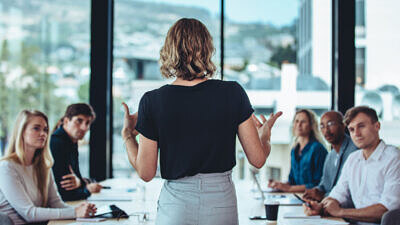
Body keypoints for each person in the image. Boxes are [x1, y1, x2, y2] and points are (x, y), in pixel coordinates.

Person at [121, 18, 282, 225]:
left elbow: (145, 172)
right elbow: (258, 160)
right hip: (221, 200)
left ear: (169, 51)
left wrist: (127, 135)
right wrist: (265, 137)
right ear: (207, 49)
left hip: (176, 204)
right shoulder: (232, 92)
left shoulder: (152, 101)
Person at [304, 106, 400, 225]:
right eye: (352, 129)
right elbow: (338, 193)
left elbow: (386, 210)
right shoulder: (353, 159)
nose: (357, 133)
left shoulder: (394, 158)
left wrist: (341, 212)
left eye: (361, 126)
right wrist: (321, 206)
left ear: (377, 126)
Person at [0, 110, 96, 225]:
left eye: (45, 130)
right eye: (36, 128)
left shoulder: (43, 166)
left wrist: (82, 209)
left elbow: (56, 204)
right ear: (22, 131)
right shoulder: (7, 167)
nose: (43, 134)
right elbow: (29, 213)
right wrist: (75, 212)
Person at [50, 103, 102, 201]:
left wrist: (81, 182)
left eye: (87, 123)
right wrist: (87, 189)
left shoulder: (71, 141)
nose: (84, 128)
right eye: (79, 121)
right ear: (66, 121)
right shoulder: (57, 143)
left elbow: (77, 178)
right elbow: (66, 192)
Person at [303, 111, 358, 201]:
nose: (326, 130)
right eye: (322, 126)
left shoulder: (355, 151)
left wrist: (323, 196)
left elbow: (350, 191)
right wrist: (316, 191)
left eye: (331, 124)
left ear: (343, 125)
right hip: (328, 205)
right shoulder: (330, 156)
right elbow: (323, 185)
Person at [268, 109, 328, 192]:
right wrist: (280, 185)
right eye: (296, 121)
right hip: (296, 197)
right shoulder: (294, 150)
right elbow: (292, 180)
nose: (299, 125)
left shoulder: (318, 149)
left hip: (312, 199)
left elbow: (319, 184)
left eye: (303, 122)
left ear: (311, 126)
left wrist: (290, 189)